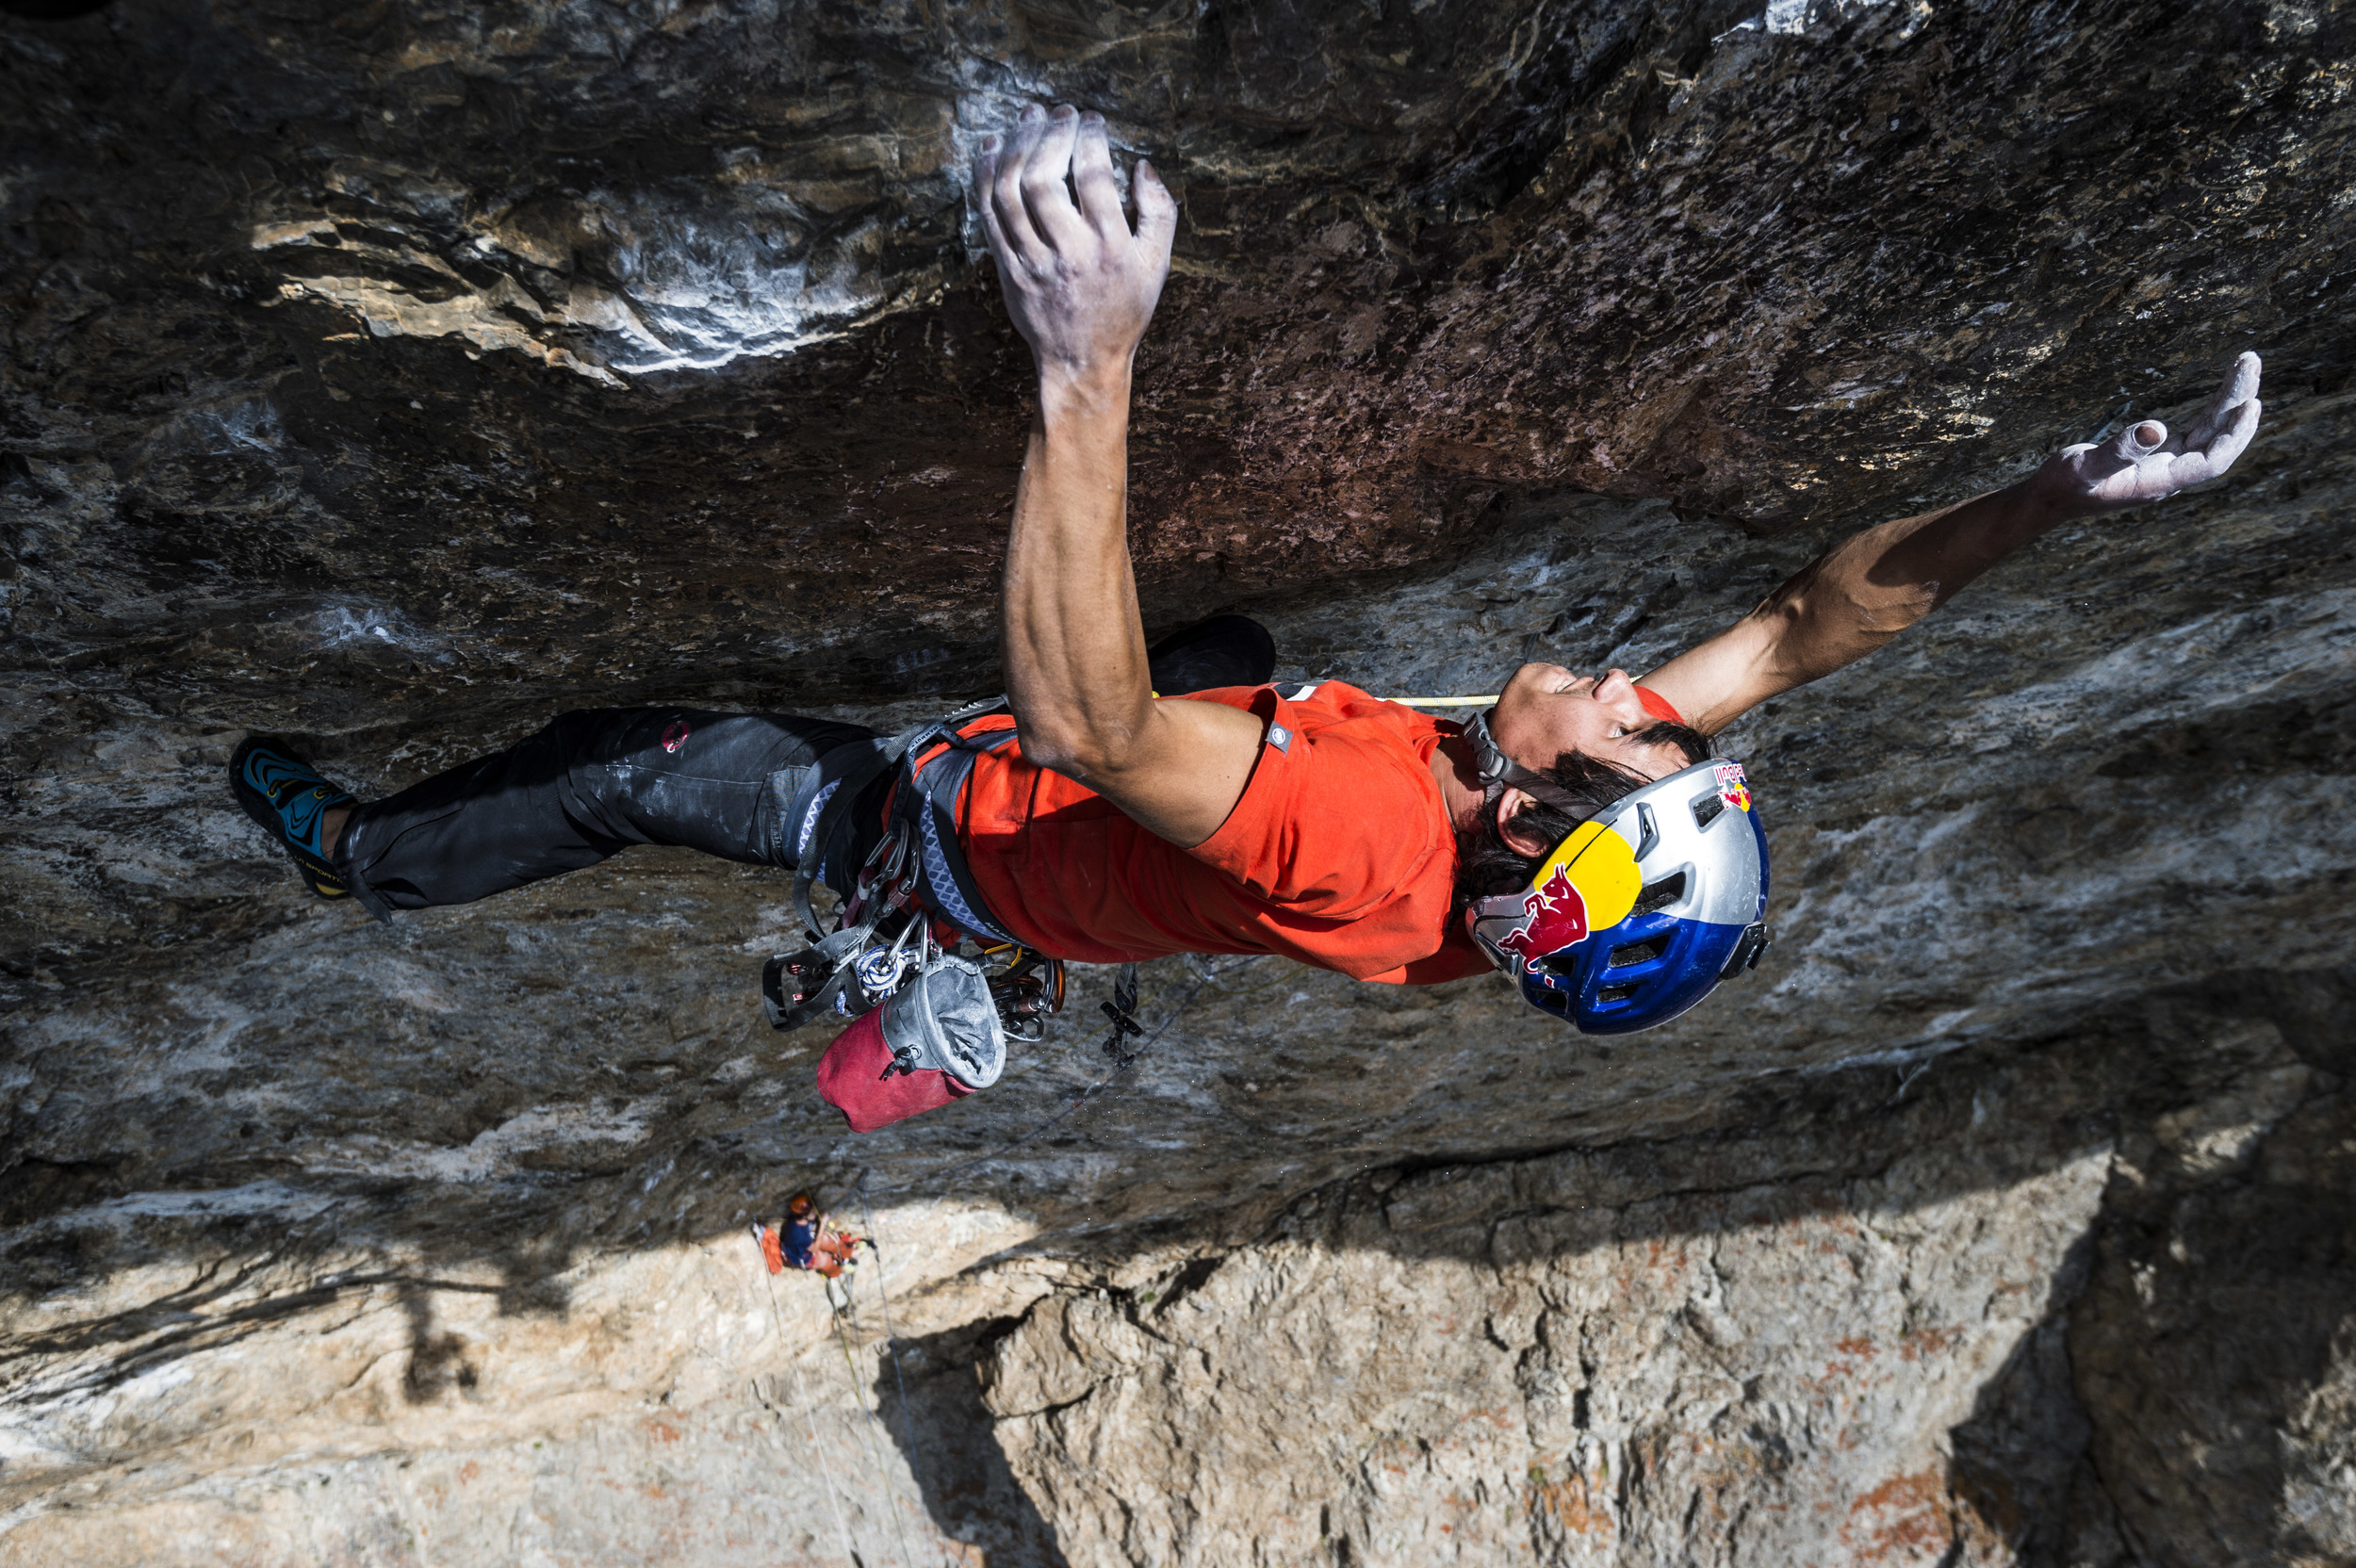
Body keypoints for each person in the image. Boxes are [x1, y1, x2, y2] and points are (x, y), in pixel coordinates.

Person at [230, 105, 2265, 1130]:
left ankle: (373, 863)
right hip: (1132, 829)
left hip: (943, 835)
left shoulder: (1363, 840)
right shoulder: (1512, 820)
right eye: (1674, 739)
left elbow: (1086, 709)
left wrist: (1084, 355)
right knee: (1234, 639)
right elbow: (1816, 625)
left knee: (634, 767)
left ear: (1534, 833)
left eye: (1650, 751)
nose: (1667, 713)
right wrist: (2060, 490)